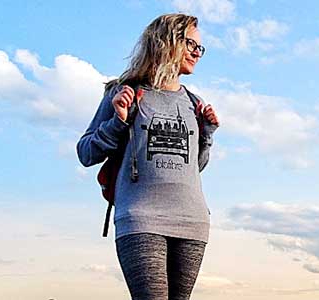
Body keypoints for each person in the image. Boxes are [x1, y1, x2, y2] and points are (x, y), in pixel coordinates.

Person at [76, 13, 219, 300]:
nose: (197, 53)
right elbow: (86, 152)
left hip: (192, 221)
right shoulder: (125, 91)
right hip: (141, 219)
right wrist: (118, 121)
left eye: (199, 47)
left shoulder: (193, 102)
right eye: (191, 44)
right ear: (165, 41)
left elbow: (194, 169)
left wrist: (207, 135)